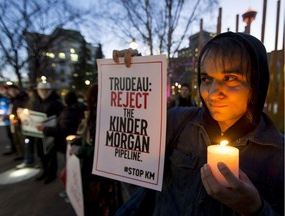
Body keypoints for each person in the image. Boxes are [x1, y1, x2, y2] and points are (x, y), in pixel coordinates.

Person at [113, 32, 284, 215]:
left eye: (230, 78)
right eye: (206, 79)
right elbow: (133, 146)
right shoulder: (179, 122)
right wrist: (132, 74)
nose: (212, 93)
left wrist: (255, 208)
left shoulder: (278, 154)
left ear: (256, 85)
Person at [69, 83, 124, 216]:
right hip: (97, 172)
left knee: (99, 203)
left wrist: (80, 150)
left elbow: (103, 150)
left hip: (100, 175)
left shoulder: (102, 117)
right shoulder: (96, 115)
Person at [34, 82, 64, 184]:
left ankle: (51, 173)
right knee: (41, 153)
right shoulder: (37, 101)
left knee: (50, 154)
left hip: (50, 133)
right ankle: (45, 171)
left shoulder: (56, 102)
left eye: (45, 90)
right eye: (41, 90)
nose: (43, 92)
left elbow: (60, 117)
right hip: (39, 132)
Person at [5, 85, 29, 160]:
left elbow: (25, 111)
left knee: (23, 140)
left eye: (12, 90)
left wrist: (18, 119)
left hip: (21, 123)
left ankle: (27, 157)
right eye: (10, 91)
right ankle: (20, 154)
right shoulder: (13, 99)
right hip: (14, 123)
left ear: (17, 90)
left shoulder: (22, 99)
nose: (11, 92)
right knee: (16, 139)